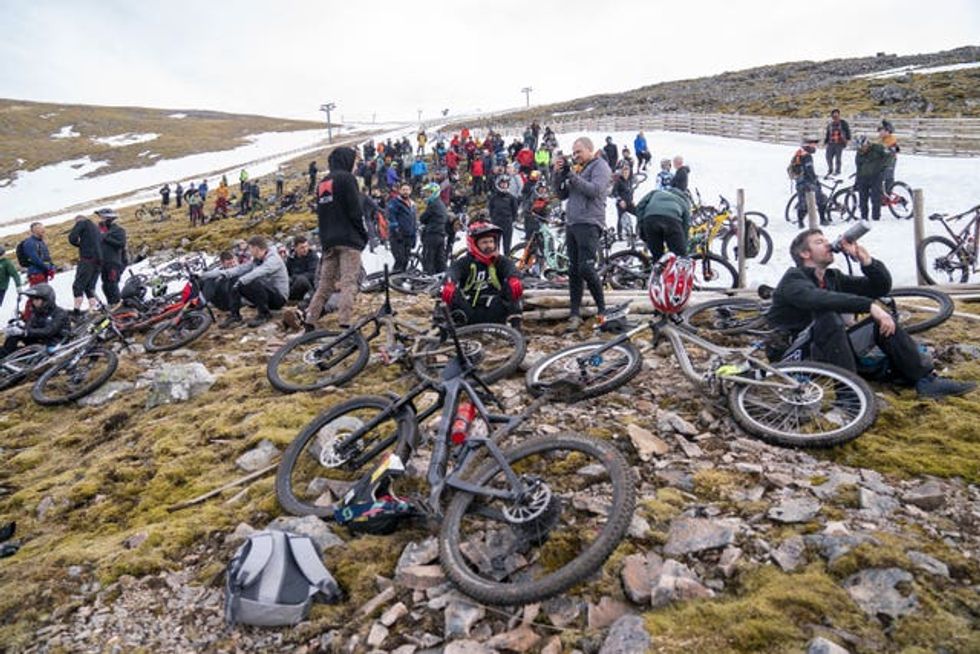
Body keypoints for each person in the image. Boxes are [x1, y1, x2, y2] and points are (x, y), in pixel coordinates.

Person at [766, 229, 975, 399]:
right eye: (820, 242)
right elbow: (817, 299)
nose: (829, 244)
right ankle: (850, 395)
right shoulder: (793, 280)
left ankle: (926, 381)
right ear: (805, 254)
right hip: (792, 356)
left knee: (881, 323)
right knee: (827, 316)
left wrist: (867, 262)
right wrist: (870, 306)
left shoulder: (832, 277)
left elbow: (879, 287)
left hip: (826, 350)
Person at [305, 146, 366, 330]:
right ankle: (345, 324)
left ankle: (309, 321)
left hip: (328, 240)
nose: (355, 165)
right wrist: (362, 235)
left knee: (324, 286)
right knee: (349, 282)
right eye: (354, 161)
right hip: (348, 239)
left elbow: (321, 214)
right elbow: (355, 211)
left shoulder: (323, 182)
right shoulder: (347, 179)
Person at [554, 137, 611, 333]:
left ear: (590, 149)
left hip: (589, 222)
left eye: (579, 152)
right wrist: (559, 174)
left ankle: (603, 311)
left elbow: (594, 191)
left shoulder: (600, 166)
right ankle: (575, 314)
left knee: (586, 268)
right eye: (574, 152)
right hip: (573, 223)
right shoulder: (578, 169)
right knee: (573, 271)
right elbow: (561, 195)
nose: (576, 155)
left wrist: (571, 175)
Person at [440, 222, 523, 328]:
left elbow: (511, 268)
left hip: (494, 311)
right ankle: (440, 325)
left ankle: (516, 327)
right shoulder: (465, 262)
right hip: (468, 312)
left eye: (491, 241)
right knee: (445, 290)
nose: (489, 246)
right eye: (484, 242)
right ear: (474, 244)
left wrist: (514, 278)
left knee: (514, 286)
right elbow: (452, 271)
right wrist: (449, 283)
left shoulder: (500, 261)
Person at [203, 235, 288, 328]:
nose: (249, 251)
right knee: (234, 278)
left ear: (256, 248)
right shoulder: (256, 260)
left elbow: (259, 272)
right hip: (265, 296)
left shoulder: (273, 259)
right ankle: (235, 315)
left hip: (278, 298)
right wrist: (205, 275)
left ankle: (264, 314)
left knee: (252, 280)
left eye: (250, 248)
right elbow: (239, 269)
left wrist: (241, 280)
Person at [1, 284, 69, 357]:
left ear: (47, 300)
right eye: (33, 299)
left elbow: (48, 331)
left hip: (53, 344)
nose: (34, 302)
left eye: (37, 299)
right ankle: (4, 354)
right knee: (14, 336)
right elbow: (29, 328)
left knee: (21, 354)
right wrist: (17, 328)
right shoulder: (36, 313)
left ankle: (11, 355)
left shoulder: (60, 313)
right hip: (38, 341)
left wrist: (24, 332)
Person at [634, 186, 692, 258]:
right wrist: (683, 244)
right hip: (671, 221)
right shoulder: (683, 201)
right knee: (680, 256)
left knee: (657, 256)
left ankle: (657, 266)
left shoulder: (655, 192)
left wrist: (641, 224)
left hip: (650, 219)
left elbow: (639, 206)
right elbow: (686, 225)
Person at [67, 214, 103, 314]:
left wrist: (80, 244)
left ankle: (76, 310)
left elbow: (72, 238)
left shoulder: (82, 223)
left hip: (87, 259)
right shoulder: (96, 228)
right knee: (90, 286)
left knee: (78, 285)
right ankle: (92, 308)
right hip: (98, 261)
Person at [789, 138, 828, 227]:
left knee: (803, 203)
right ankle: (823, 219)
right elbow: (809, 170)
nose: (815, 147)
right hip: (808, 183)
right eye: (814, 145)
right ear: (808, 145)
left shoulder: (798, 154)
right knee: (822, 199)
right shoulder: (807, 156)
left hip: (799, 183)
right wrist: (816, 181)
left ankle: (800, 222)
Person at [96, 209, 126, 308]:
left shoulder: (118, 230)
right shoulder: (100, 230)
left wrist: (105, 238)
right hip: (103, 262)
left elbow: (121, 244)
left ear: (109, 218)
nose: (101, 220)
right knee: (105, 285)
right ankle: (111, 304)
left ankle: (118, 306)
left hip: (114, 262)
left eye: (103, 218)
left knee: (112, 284)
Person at [853, 136, 888, 221]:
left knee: (875, 197)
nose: (862, 149)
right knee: (862, 198)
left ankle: (876, 217)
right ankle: (864, 217)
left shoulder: (878, 148)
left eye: (863, 147)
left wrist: (884, 167)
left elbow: (889, 155)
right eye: (860, 148)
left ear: (868, 144)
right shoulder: (859, 153)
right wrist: (857, 182)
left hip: (876, 176)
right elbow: (858, 167)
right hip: (863, 177)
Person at [387, 184, 418, 273]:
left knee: (405, 261)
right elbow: (391, 216)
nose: (405, 191)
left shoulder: (412, 204)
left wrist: (414, 236)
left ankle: (401, 282)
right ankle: (394, 281)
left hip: (409, 236)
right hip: (397, 237)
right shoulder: (395, 202)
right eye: (403, 189)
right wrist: (396, 230)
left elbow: (414, 221)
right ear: (400, 191)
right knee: (399, 259)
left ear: (410, 191)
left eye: (407, 189)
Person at [488, 176, 519, 255]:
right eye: (502, 184)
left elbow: (514, 210)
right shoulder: (493, 197)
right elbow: (491, 209)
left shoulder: (511, 198)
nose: (504, 185)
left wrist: (514, 220)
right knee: (495, 245)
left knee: (507, 245)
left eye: (506, 184)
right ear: (498, 184)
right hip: (496, 223)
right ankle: (496, 261)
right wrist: (493, 219)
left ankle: (506, 262)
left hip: (507, 223)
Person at [286, 236, 319, 302]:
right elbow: (286, 272)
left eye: (306, 246)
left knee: (301, 280)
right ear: (295, 248)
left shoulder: (313, 256)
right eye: (302, 247)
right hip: (294, 285)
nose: (305, 249)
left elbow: (312, 274)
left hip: (309, 286)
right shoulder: (291, 258)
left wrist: (295, 277)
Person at [823, 109, 851, 177]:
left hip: (839, 143)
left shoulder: (843, 123)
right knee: (828, 157)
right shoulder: (830, 124)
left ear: (839, 115)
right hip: (831, 143)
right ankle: (830, 169)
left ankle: (837, 171)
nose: (835, 116)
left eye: (836, 114)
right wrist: (825, 141)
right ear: (832, 116)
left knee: (838, 158)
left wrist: (848, 139)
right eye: (834, 114)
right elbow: (828, 134)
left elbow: (847, 131)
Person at [611, 166, 635, 241]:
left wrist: (632, 200)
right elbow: (614, 192)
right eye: (624, 172)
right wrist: (620, 200)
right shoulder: (618, 181)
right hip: (621, 203)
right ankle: (620, 235)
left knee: (638, 213)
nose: (626, 174)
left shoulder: (629, 181)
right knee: (620, 218)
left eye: (627, 172)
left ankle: (637, 231)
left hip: (629, 203)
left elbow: (630, 192)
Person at [878, 120, 899, 192]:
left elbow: (895, 149)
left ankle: (888, 193)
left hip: (890, 161)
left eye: (881, 130)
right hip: (883, 161)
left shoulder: (891, 139)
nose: (879, 132)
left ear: (887, 131)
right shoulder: (882, 139)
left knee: (888, 176)